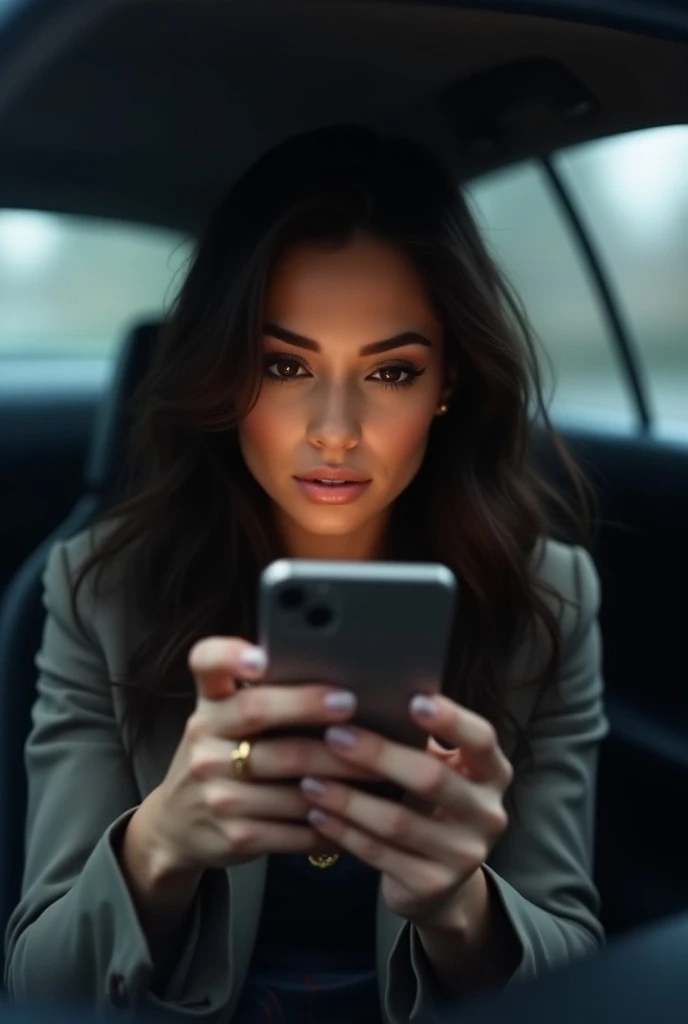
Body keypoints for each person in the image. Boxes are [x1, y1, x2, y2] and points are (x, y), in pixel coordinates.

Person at [3, 125, 608, 1024]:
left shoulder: (546, 599)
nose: (334, 428)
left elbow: (579, 975)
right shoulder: (101, 590)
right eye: (285, 364)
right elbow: (40, 985)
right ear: (228, 372)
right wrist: (161, 841)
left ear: (447, 382)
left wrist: (460, 903)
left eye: (392, 371)